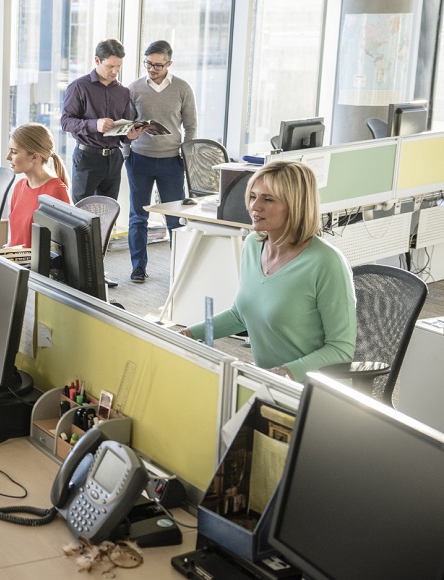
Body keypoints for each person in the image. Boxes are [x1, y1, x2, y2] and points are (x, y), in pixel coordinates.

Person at [181, 160, 356, 382]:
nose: (255, 206)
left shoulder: (327, 262)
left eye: (268, 199)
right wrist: (188, 334)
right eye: (253, 196)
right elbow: (240, 314)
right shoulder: (253, 245)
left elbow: (340, 350)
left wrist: (281, 373)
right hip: (269, 382)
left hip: (313, 391)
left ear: (296, 205)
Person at [126, 40, 198, 284]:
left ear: (169, 63)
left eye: (158, 64)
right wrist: (127, 153)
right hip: (140, 159)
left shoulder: (182, 88)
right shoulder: (135, 88)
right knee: (138, 216)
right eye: (148, 63)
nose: (152, 68)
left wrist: (186, 157)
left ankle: (178, 268)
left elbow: (190, 126)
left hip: (171, 161)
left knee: (174, 218)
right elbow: (126, 124)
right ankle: (138, 267)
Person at [61, 38, 148, 204]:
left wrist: (131, 135)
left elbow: (123, 134)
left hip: (114, 158)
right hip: (87, 157)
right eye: (110, 66)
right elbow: (66, 122)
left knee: (108, 213)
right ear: (97, 60)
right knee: (82, 214)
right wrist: (95, 124)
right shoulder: (79, 87)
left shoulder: (123, 91)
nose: (115, 71)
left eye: (118, 66)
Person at [5, 123, 71, 248]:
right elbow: (13, 240)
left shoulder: (56, 192)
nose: (8, 157)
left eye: (14, 152)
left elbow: (63, 249)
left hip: (35, 266)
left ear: (35, 157)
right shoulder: (19, 187)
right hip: (15, 263)